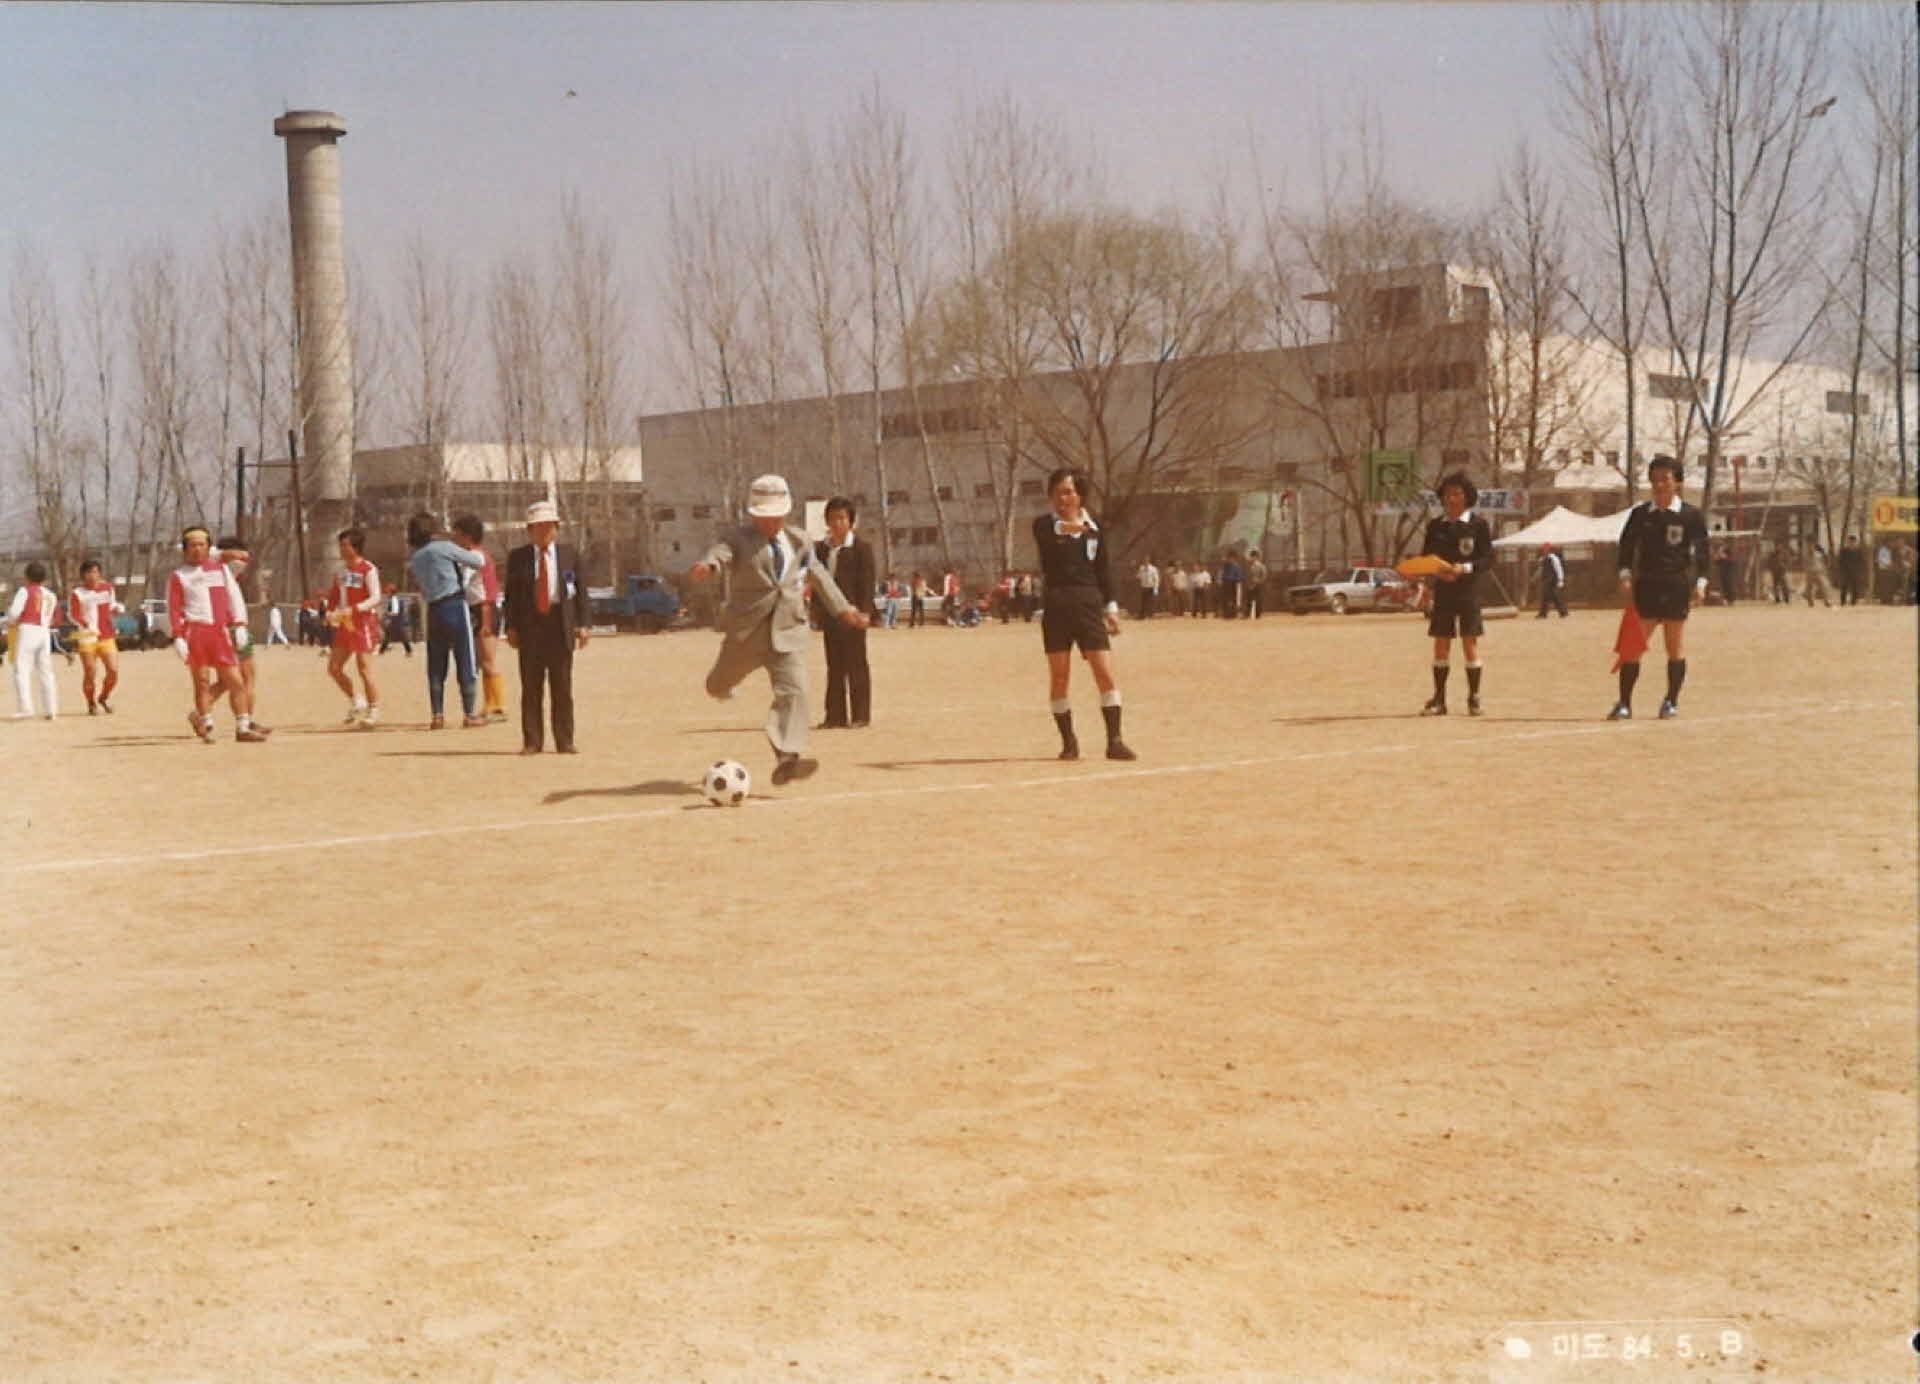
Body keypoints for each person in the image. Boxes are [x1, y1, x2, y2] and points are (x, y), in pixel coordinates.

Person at [690, 473, 868, 784]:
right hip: (748, 630)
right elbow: (721, 553)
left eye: (776, 515)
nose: (771, 521)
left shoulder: (800, 540)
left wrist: (845, 610)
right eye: (764, 515)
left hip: (789, 628)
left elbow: (820, 577)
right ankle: (719, 688)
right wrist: (709, 566)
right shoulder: (737, 538)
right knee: (719, 682)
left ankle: (787, 755)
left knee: (794, 691)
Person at [1033, 466, 1136, 761]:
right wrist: (1084, 527)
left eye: (1067, 492)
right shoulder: (1043, 525)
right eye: (1056, 492)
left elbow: (1103, 570)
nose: (1060, 498)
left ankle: (1114, 740)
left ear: (1080, 495)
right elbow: (1058, 530)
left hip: (1089, 604)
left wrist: (1111, 607)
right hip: (1057, 606)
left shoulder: (1096, 529)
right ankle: (1069, 742)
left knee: (1104, 674)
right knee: (1060, 677)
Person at [1608, 455, 1710, 721]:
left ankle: (1670, 701)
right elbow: (1626, 549)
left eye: (1665, 478)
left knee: (1674, 647)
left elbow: (1702, 554)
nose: (1659, 484)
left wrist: (1700, 583)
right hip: (1647, 586)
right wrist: (1625, 575)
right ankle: (1624, 703)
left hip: (1677, 585)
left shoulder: (1690, 515)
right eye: (1654, 479)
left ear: (1677, 481)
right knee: (1632, 649)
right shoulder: (1641, 514)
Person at [502, 499, 590, 754]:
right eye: (537, 527)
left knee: (562, 686)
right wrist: (511, 626)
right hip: (530, 626)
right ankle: (532, 741)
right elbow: (511, 595)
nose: (543, 532)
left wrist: (583, 624)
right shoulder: (518, 558)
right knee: (531, 686)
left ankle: (565, 739)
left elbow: (581, 592)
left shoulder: (569, 555)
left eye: (548, 526)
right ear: (529, 530)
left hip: (560, 624)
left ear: (556, 528)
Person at [168, 526, 266, 743]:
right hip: (196, 632)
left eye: (202, 544)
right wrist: (178, 636)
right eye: (192, 545)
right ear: (184, 549)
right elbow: (174, 608)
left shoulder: (220, 569)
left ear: (208, 547)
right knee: (202, 681)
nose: (197, 549)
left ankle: (242, 727)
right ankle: (207, 723)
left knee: (236, 681)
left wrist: (239, 624)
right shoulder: (179, 576)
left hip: (220, 632)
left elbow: (233, 597)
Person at [1419, 472, 1495, 716]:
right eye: (1447, 494)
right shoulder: (1435, 526)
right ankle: (1439, 699)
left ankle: (1474, 697)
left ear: (1467, 497)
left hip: (1468, 591)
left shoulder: (1478, 524)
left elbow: (1488, 559)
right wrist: (1437, 574)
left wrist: (1465, 568)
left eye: (1457, 493)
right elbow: (1426, 558)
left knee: (1469, 642)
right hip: (1443, 591)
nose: (1451, 498)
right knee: (1441, 643)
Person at [408, 512, 488, 731]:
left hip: (432, 610)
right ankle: (469, 713)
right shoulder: (443, 547)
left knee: (436, 664)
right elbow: (477, 561)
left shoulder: (415, 559)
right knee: (465, 659)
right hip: (454, 605)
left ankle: (437, 714)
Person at [813, 496, 875, 729]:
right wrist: (817, 610)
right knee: (834, 665)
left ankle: (860, 715)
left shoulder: (861, 548)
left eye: (842, 518)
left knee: (857, 663)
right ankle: (835, 716)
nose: (837, 523)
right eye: (832, 518)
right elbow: (817, 583)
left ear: (851, 521)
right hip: (831, 615)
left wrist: (866, 611)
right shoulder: (821, 549)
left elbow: (867, 582)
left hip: (854, 613)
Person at [202, 536, 271, 735]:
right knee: (245, 677)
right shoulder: (218, 565)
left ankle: (202, 710)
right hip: (232, 627)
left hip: (232, 627)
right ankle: (245, 720)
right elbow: (239, 555)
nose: (242, 564)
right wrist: (231, 553)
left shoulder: (223, 571)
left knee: (229, 680)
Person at [452, 514, 509, 721]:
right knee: (481, 660)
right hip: (477, 609)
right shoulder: (472, 555)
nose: (454, 538)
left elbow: (466, 584)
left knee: (488, 660)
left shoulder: (475, 556)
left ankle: (499, 705)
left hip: (485, 609)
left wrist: (485, 621)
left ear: (467, 536)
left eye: (457, 534)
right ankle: (489, 703)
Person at [325, 527, 384, 727]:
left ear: (355, 547)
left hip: (363, 622)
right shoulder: (340, 572)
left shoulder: (368, 569)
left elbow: (375, 597)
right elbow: (333, 596)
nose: (341, 549)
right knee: (334, 668)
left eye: (345, 545)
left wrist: (356, 609)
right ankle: (356, 700)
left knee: (364, 668)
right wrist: (329, 611)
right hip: (344, 623)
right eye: (340, 545)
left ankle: (374, 709)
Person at [67, 558, 124, 713]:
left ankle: (103, 697)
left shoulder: (107, 588)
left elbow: (111, 606)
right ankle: (91, 703)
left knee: (113, 670)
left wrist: (117, 608)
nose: (93, 576)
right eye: (89, 572)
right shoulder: (77, 593)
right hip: (87, 636)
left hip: (106, 635)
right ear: (83, 575)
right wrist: (85, 624)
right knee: (90, 671)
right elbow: (72, 614)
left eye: (95, 572)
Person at [5, 561, 60, 720]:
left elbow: (14, 613)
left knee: (21, 670)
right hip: (44, 631)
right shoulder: (50, 594)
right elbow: (54, 616)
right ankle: (51, 709)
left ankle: (26, 707)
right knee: (46, 672)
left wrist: (10, 621)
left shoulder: (24, 591)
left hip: (28, 630)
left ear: (26, 576)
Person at [1535, 543, 1568, 618]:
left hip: (1553, 580)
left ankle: (1562, 612)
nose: (1544, 550)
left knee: (1553, 596)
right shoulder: (1542, 558)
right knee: (1548, 596)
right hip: (1546, 579)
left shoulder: (1553, 558)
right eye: (1544, 549)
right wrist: (1536, 577)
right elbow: (1540, 569)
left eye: (1546, 549)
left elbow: (1558, 569)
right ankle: (1545, 613)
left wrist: (1560, 580)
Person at [1801, 540, 1833, 607]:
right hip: (1810, 573)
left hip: (1818, 572)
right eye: (1809, 546)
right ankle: (1810, 602)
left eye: (1812, 546)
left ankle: (1826, 601)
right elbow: (1804, 564)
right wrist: (1806, 571)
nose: (1810, 548)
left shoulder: (1818, 555)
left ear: (1814, 547)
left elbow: (1823, 563)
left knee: (1823, 587)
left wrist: (1824, 570)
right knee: (1809, 588)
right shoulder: (1806, 555)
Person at [1837, 534, 1866, 606]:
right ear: (1848, 542)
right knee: (1844, 587)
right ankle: (1842, 602)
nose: (1851, 543)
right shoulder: (1844, 550)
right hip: (1846, 571)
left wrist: (1860, 571)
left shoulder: (1858, 551)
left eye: (1853, 542)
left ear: (1855, 542)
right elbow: (1840, 561)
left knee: (1855, 587)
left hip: (1855, 571)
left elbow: (1861, 561)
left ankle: (1853, 602)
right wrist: (1841, 570)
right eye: (1850, 541)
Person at [1218, 550, 1242, 620]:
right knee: (1225, 598)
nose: (1230, 559)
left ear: (1234, 558)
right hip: (1226, 582)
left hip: (1233, 582)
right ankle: (1226, 614)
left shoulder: (1236, 566)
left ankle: (1233, 614)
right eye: (1229, 558)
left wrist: (1238, 581)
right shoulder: (1225, 565)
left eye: (1232, 558)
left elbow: (1239, 575)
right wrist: (1221, 580)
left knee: (1233, 599)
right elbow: (1222, 573)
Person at [1245, 550, 1269, 618]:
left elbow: (1264, 575)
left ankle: (1258, 615)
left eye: (1253, 556)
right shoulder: (1248, 565)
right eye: (1251, 556)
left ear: (1256, 557)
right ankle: (1247, 614)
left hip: (1258, 585)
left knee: (1258, 600)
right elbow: (1247, 575)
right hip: (1250, 585)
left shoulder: (1261, 566)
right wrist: (1248, 583)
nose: (1251, 558)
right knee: (1248, 600)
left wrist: (1259, 581)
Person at [1135, 557, 1160, 621]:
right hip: (1143, 587)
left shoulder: (1153, 569)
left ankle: (1150, 615)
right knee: (1143, 601)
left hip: (1151, 587)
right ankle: (1143, 615)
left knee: (1150, 602)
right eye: (1144, 561)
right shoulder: (1141, 568)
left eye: (1147, 561)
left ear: (1149, 561)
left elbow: (1156, 579)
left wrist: (1156, 588)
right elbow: (1138, 576)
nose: (1145, 562)